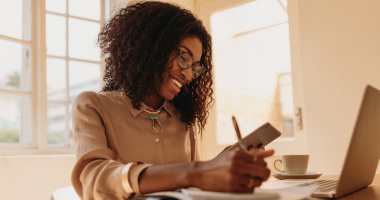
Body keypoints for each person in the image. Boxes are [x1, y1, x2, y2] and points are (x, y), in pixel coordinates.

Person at [71, 1, 275, 199]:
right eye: (184, 58)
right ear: (151, 46)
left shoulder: (182, 118)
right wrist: (199, 171)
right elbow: (93, 179)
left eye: (195, 67)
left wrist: (219, 167)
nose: (188, 75)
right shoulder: (92, 105)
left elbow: (188, 186)